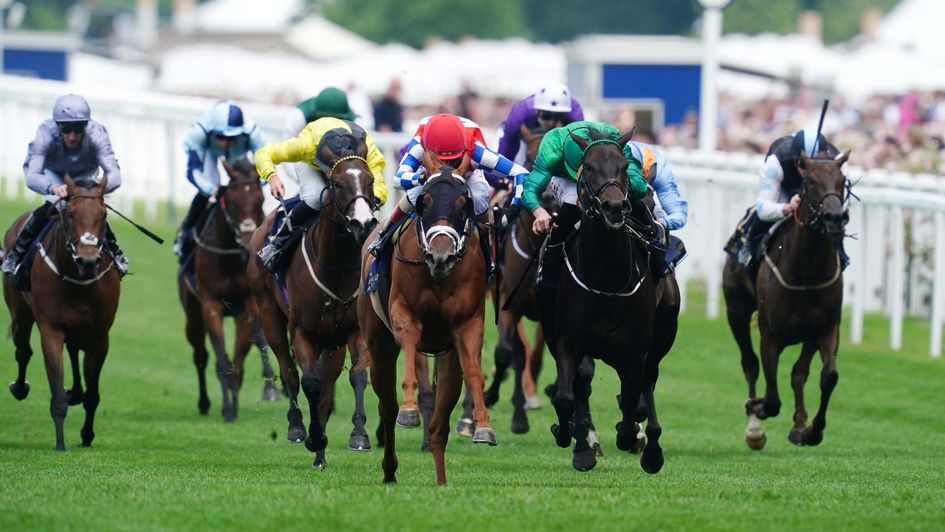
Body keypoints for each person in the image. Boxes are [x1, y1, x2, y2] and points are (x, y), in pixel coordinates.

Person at [521, 121, 653, 349]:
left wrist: (628, 183)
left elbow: (640, 187)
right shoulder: (553, 148)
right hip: (567, 180)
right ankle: (548, 274)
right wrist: (539, 210)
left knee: (632, 199)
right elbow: (530, 189)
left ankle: (659, 262)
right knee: (572, 204)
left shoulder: (613, 139)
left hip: (606, 174)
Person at [366, 113, 529, 274]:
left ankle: (488, 253)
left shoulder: (476, 151)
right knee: (415, 194)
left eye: (453, 160)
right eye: (441, 161)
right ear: (427, 151)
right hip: (429, 172)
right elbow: (398, 180)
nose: (446, 168)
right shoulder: (420, 144)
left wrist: (514, 207)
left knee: (479, 198)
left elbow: (520, 173)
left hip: (467, 174)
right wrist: (422, 176)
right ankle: (383, 236)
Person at [2, 94, 128, 277]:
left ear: (86, 126)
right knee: (54, 205)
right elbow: (33, 175)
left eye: (78, 129)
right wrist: (52, 188)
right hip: (53, 174)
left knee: (91, 211)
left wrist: (93, 193)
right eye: (66, 129)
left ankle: (116, 254)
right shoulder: (46, 132)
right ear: (57, 126)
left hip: (85, 177)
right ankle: (15, 254)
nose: (72, 136)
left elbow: (115, 175)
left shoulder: (97, 134)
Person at [254, 112, 388, 272]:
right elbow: (264, 153)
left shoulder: (367, 147)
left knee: (363, 195)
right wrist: (272, 177)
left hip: (349, 165)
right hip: (311, 165)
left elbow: (377, 177)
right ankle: (277, 244)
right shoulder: (307, 145)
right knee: (316, 197)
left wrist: (374, 199)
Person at [725, 128, 849, 271]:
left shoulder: (839, 164)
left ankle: (841, 257)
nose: (810, 171)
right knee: (759, 219)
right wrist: (786, 207)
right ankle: (748, 255)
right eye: (804, 165)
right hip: (785, 190)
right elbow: (763, 208)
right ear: (796, 160)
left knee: (834, 221)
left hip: (820, 194)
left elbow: (842, 203)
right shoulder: (776, 162)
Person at [174, 100, 266, 259]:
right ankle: (185, 230)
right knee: (211, 183)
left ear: (240, 132)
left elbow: (266, 165)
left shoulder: (253, 133)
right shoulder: (199, 132)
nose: (225, 143)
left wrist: (258, 183)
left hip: (239, 155)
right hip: (209, 152)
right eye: (220, 137)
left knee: (249, 193)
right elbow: (192, 172)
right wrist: (212, 189)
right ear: (212, 131)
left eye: (231, 138)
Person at [497, 82, 585, 165]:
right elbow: (507, 146)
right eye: (546, 116)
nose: (551, 123)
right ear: (536, 111)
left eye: (558, 116)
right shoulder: (521, 112)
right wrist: (499, 177)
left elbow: (579, 150)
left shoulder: (575, 114)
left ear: (566, 114)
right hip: (523, 142)